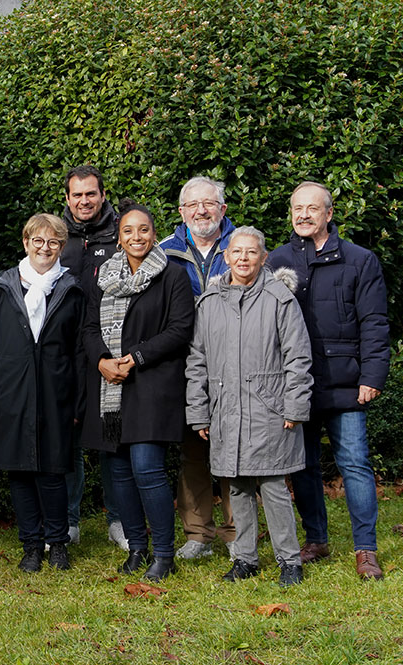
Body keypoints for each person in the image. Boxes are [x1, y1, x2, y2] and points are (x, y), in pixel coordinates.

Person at [267, 181, 391, 580]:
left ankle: (366, 549)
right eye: (296, 208)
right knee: (302, 466)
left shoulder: (359, 260)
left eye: (312, 209)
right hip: (296, 384)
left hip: (346, 381)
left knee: (354, 464)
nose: (303, 215)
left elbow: (374, 323)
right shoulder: (276, 261)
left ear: (329, 214)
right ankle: (316, 540)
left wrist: (372, 375)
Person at [185, 226, 313, 587]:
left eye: (251, 252)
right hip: (225, 409)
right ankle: (245, 558)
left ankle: (289, 560)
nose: (243, 258)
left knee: (272, 486)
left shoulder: (278, 299)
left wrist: (294, 408)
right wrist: (198, 411)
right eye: (236, 252)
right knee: (237, 485)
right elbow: (198, 360)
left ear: (263, 257)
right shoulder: (209, 302)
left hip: (269, 409)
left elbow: (298, 358)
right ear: (226, 256)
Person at [81, 202, 195, 582]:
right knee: (119, 474)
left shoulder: (173, 276)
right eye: (128, 231)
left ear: (153, 232)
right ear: (119, 236)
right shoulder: (103, 276)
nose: (136, 237)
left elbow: (180, 330)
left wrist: (136, 358)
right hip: (110, 387)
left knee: (147, 469)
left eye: (143, 230)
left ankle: (163, 553)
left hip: (152, 386)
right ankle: (137, 548)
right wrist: (101, 360)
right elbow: (88, 328)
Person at [0, 213, 84, 572]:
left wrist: (79, 401)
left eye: (53, 242)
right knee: (19, 473)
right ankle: (31, 545)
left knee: (53, 472)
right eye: (38, 241)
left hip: (56, 393)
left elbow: (80, 350)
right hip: (11, 393)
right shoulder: (2, 287)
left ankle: (58, 543)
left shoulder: (72, 289)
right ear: (26, 243)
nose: (45, 248)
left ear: (61, 247)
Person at [158, 176, 237, 561]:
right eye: (192, 205)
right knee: (194, 449)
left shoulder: (243, 246)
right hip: (186, 366)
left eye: (209, 204)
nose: (201, 211)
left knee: (237, 450)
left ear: (223, 209)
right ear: (181, 212)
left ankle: (238, 532)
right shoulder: (164, 252)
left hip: (237, 364)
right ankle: (198, 534)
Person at [57, 165, 125, 550]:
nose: (84, 201)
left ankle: (119, 520)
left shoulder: (120, 233)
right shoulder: (57, 236)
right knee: (68, 439)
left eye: (91, 194)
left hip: (108, 352)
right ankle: (69, 522)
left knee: (110, 439)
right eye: (77, 195)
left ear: (102, 195)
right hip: (65, 354)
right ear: (67, 198)